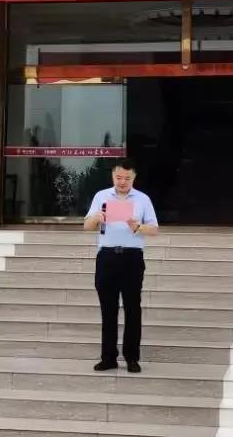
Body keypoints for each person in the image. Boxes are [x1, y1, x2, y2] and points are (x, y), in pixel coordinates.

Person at [83, 158, 159, 374]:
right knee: (108, 309)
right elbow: (87, 226)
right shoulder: (101, 196)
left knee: (133, 308)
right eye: (118, 177)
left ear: (133, 178)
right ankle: (108, 358)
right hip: (107, 257)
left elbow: (154, 229)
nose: (122, 182)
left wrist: (138, 226)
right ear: (112, 176)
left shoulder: (142, 199)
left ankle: (132, 358)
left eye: (127, 178)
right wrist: (96, 218)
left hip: (132, 258)